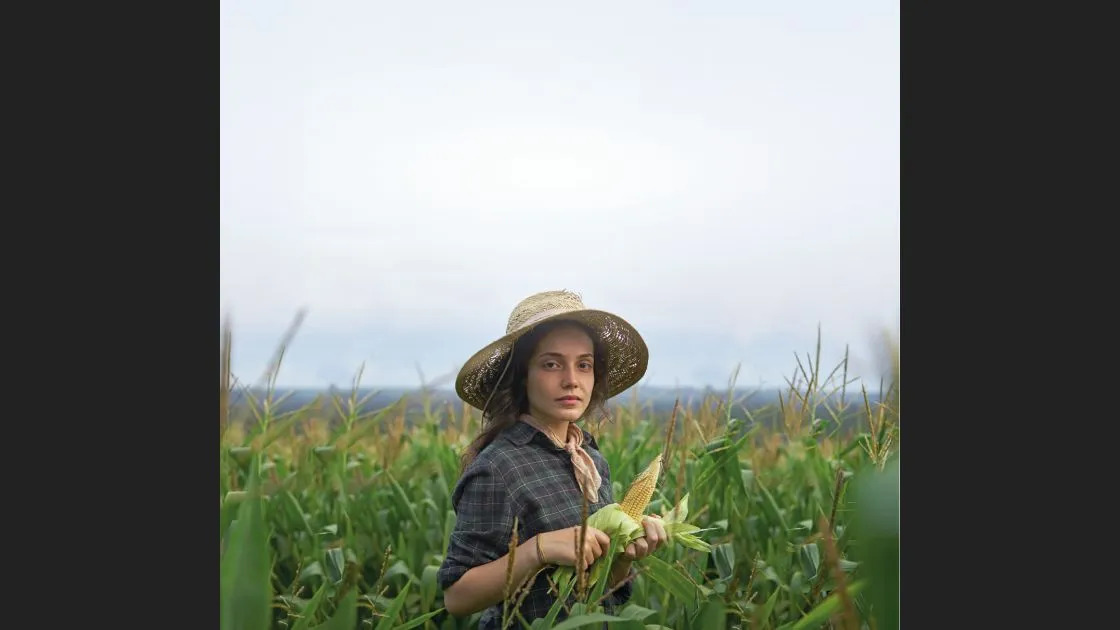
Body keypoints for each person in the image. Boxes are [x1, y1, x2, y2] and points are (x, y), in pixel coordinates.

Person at [437, 290, 669, 628]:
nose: (571, 380)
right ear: (522, 375)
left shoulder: (590, 458)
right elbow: (457, 597)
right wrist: (537, 550)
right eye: (551, 364)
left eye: (584, 365)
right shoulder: (499, 467)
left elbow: (596, 591)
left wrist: (625, 556)